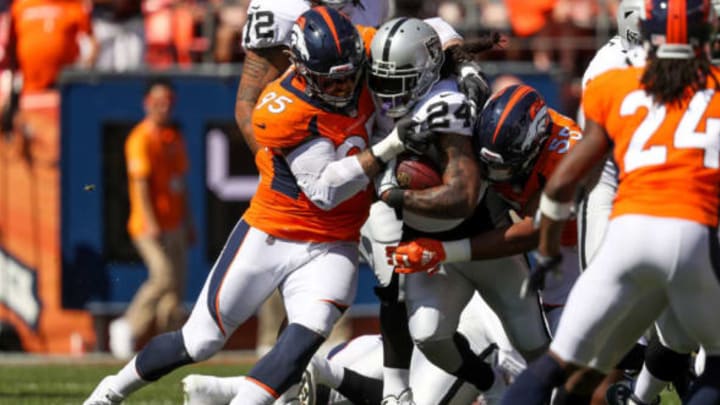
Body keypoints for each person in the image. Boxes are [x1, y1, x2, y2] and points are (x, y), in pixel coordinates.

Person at [83, 7, 420, 405]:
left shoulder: (361, 45)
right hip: (272, 233)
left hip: (333, 243)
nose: (345, 86)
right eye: (333, 78)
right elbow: (326, 190)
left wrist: (456, 54)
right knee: (199, 340)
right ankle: (110, 391)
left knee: (298, 344)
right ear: (297, 64)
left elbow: (421, 37)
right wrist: (391, 145)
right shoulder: (281, 108)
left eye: (350, 74)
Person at [500, 1, 720, 404]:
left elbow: (563, 182)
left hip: (629, 232)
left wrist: (548, 252)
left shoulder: (617, 84)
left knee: (558, 362)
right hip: (692, 232)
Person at [365, 17, 548, 403]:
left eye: (398, 79)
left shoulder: (445, 104)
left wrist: (396, 196)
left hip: (477, 226)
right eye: (382, 78)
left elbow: (461, 196)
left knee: (533, 342)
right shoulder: (383, 57)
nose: (387, 90)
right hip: (424, 237)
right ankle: (489, 382)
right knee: (429, 335)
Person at [388, 83, 583, 333]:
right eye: (485, 164)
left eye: (502, 169)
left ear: (536, 146)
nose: (491, 175)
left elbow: (533, 231)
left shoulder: (564, 158)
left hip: (583, 245)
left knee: (575, 341)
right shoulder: (485, 132)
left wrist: (443, 251)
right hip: (552, 246)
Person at [182, 293, 524, 405]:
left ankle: (223, 389)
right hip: (469, 349)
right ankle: (326, 377)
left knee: (371, 369)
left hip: (410, 337)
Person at [109, 78, 195, 359]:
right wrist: (151, 221)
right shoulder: (140, 138)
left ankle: (167, 345)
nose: (164, 106)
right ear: (147, 103)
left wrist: (188, 221)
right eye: (158, 101)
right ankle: (127, 326)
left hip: (175, 224)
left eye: (168, 101)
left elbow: (181, 184)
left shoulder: (173, 137)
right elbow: (140, 185)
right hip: (148, 225)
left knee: (175, 292)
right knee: (162, 276)